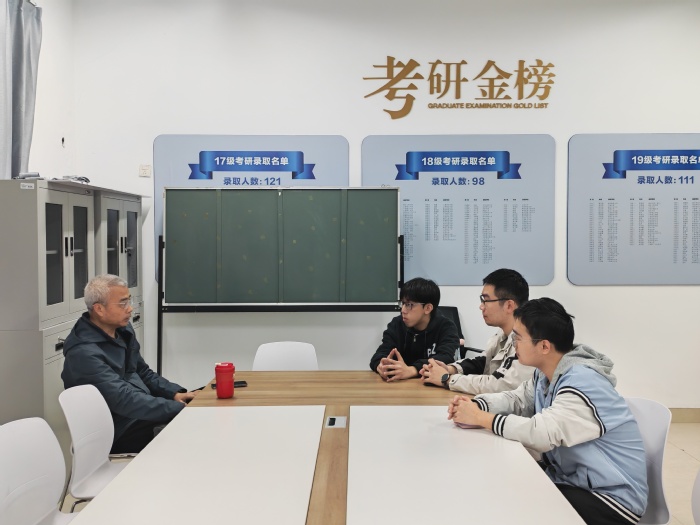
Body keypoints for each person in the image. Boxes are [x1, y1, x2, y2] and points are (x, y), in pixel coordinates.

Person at [448, 298, 648, 525]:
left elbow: (541, 433)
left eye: (518, 338)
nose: (514, 344)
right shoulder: (546, 374)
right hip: (570, 479)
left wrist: (482, 418)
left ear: (544, 346)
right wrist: (477, 405)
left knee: (511, 503)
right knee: (502, 483)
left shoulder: (584, 381)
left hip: (610, 499)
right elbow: (517, 399)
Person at [62, 274, 196, 453]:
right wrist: (176, 408)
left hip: (138, 415)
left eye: (129, 301)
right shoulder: (84, 353)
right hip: (118, 431)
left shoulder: (122, 330)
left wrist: (174, 394)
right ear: (99, 309)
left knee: (199, 406)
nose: (130, 308)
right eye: (123, 303)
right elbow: (123, 399)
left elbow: (142, 371)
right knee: (190, 429)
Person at [421, 268, 534, 394]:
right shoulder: (503, 335)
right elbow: (483, 362)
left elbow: (501, 384)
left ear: (509, 305)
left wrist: (447, 379)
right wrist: (450, 369)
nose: (481, 306)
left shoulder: (527, 340)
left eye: (486, 300)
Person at [370, 277, 459, 381]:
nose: (403, 310)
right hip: (400, 385)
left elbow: (446, 359)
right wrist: (380, 365)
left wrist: (412, 370)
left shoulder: (446, 327)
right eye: (402, 303)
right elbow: (380, 354)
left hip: (432, 385)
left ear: (428, 308)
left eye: (409, 305)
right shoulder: (397, 324)